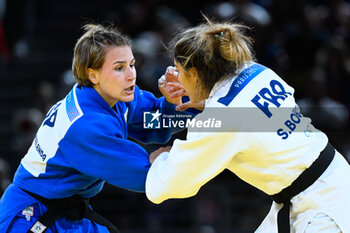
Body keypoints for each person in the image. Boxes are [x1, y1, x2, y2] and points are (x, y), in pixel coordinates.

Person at [145, 17, 350, 233]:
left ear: (195, 74)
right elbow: (246, 113)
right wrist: (206, 100)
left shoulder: (221, 119)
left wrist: (162, 160)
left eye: (179, 71)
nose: (176, 78)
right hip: (328, 179)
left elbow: (172, 184)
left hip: (324, 206)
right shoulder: (256, 71)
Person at [0, 23, 193, 233]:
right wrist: (178, 157)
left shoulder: (115, 97)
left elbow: (157, 123)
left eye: (132, 65)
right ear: (93, 75)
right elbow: (148, 176)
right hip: (31, 216)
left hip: (67, 210)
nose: (131, 75)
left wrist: (175, 102)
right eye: (119, 68)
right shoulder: (87, 127)